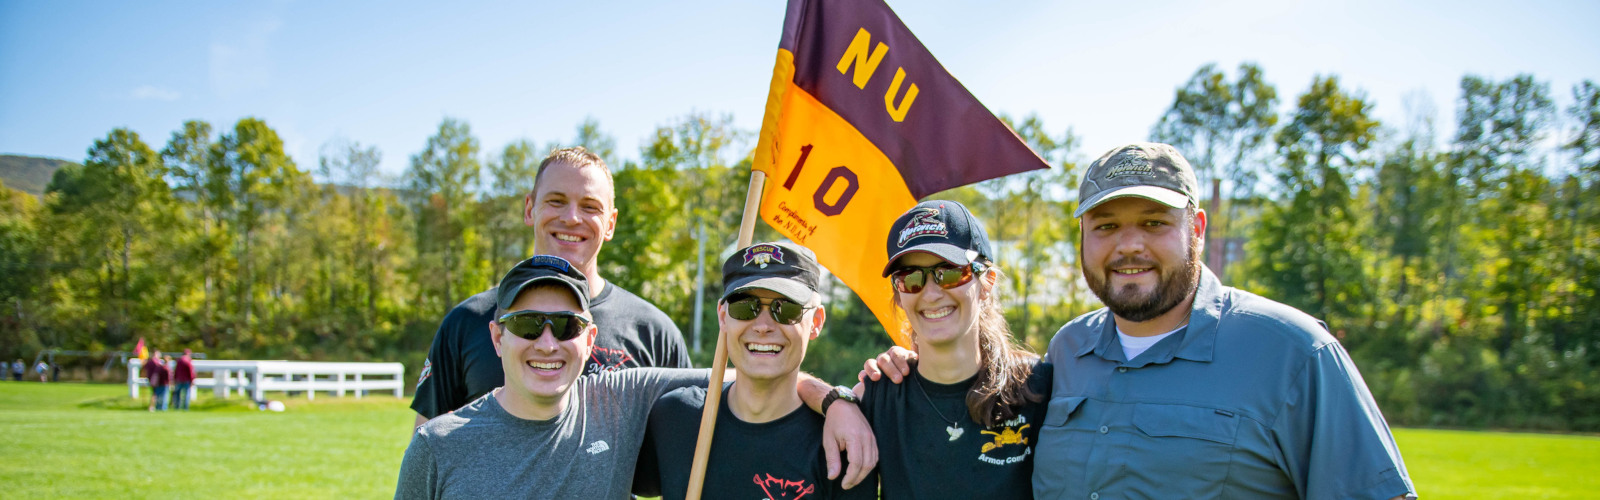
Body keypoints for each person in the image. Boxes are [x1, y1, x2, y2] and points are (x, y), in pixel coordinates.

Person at [1029, 143, 1416, 499]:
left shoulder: (1294, 352)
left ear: (1196, 230)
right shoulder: (1068, 350)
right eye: (1106, 226)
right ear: (1082, 236)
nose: (1129, 245)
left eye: (1154, 223)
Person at [396, 255, 875, 499]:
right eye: (526, 325)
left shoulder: (623, 396)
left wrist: (834, 400)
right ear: (497, 338)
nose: (547, 343)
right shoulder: (437, 446)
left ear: (590, 340)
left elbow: (755, 370)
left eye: (566, 326)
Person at [412, 147, 690, 427]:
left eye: (590, 206)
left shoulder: (654, 333)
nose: (571, 218)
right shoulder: (466, 322)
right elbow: (426, 450)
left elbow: (684, 444)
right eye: (556, 201)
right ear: (530, 209)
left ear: (611, 224)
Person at [636, 242, 876, 500]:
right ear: (723, 316)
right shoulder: (673, 418)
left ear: (816, 321)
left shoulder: (839, 446)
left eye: (785, 309)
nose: (763, 325)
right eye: (744, 306)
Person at [855, 200, 1051, 499]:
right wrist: (835, 401)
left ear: (987, 283)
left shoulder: (1038, 385)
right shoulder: (878, 395)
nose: (931, 293)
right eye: (911, 279)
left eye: (949, 273)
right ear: (898, 295)